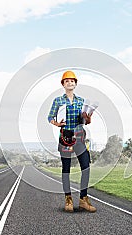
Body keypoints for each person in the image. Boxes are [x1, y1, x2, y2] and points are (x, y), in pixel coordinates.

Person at [47, 70, 97, 213]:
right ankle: (68, 198)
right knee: (66, 169)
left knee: (86, 167)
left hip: (80, 137)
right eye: (67, 81)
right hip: (65, 138)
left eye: (72, 81)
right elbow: (49, 117)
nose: (70, 83)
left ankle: (83, 199)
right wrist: (57, 124)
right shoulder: (58, 101)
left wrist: (88, 118)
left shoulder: (81, 101)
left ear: (75, 84)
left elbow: (85, 121)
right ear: (63, 84)